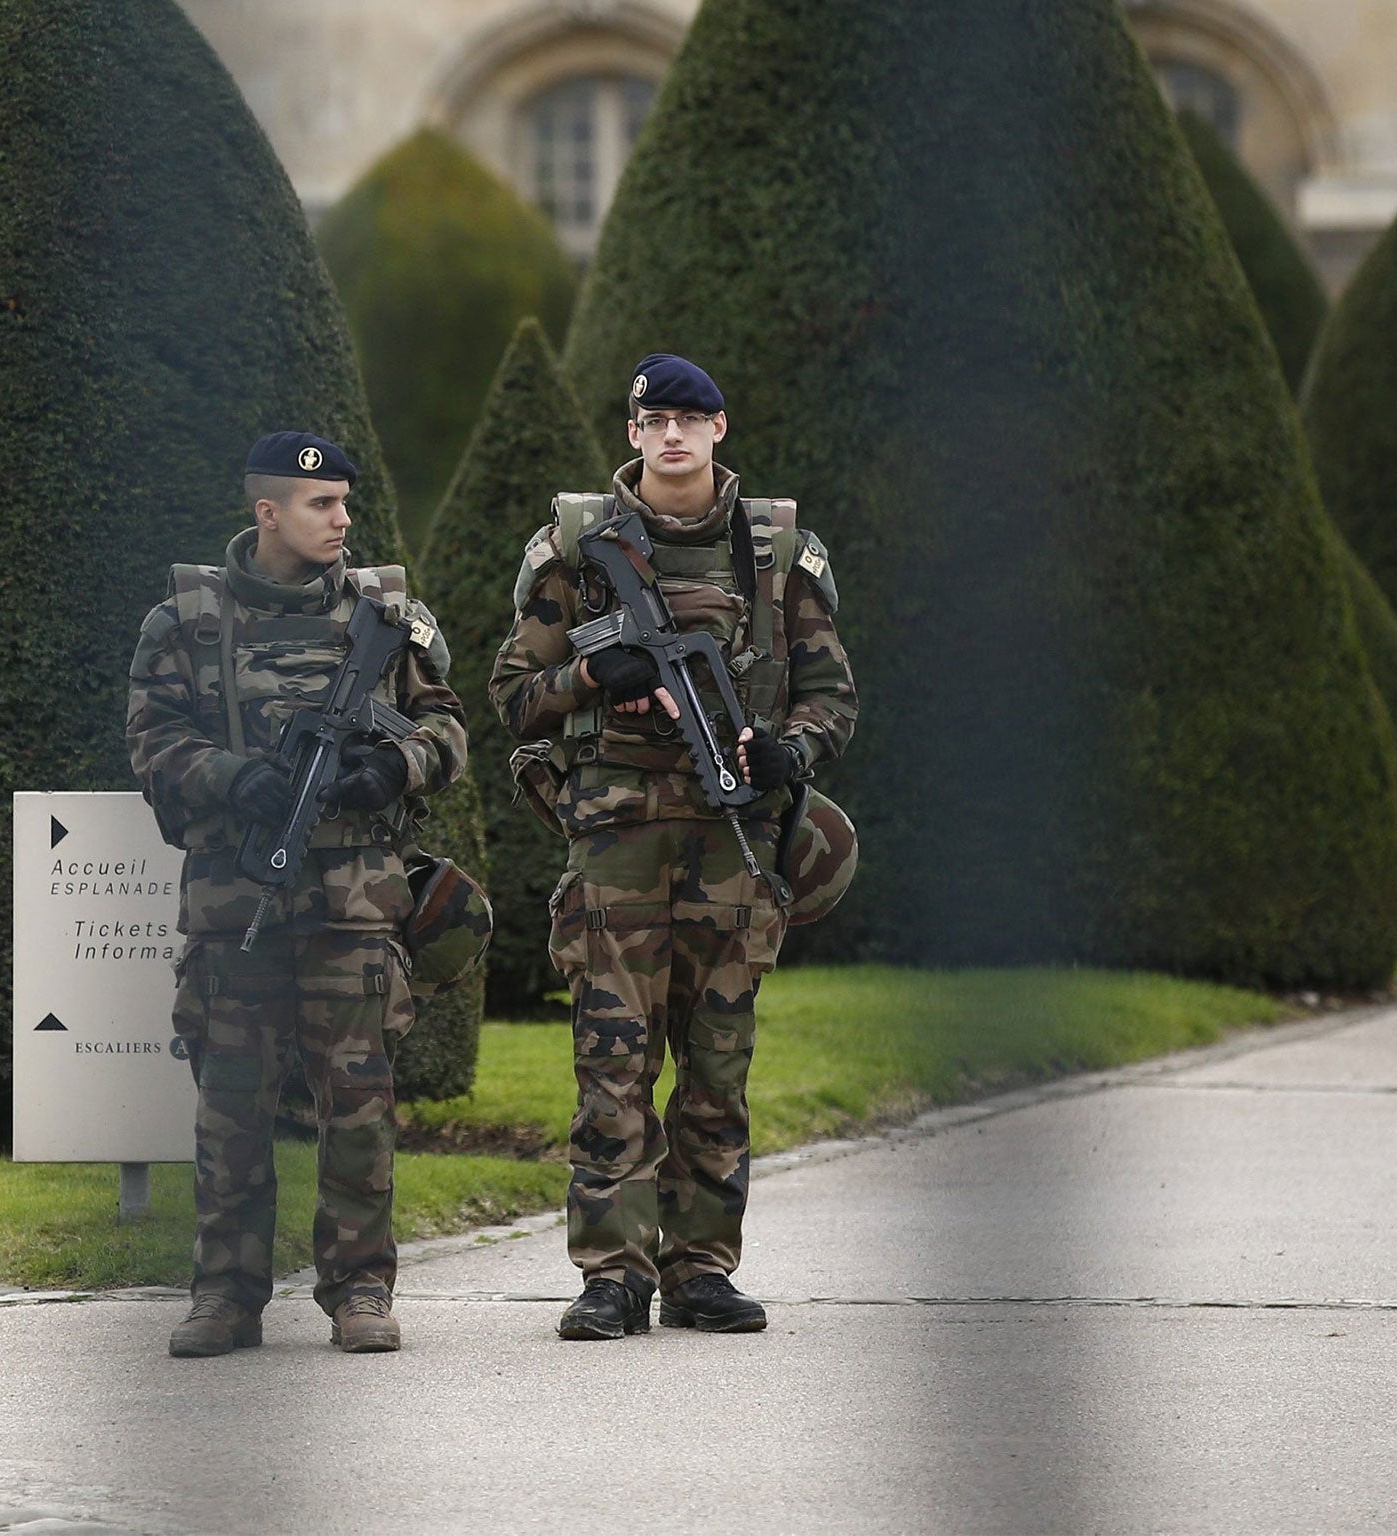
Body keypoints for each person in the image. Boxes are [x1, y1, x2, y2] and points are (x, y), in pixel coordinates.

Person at [490, 354, 857, 1340]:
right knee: (609, 1065)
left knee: (716, 1064)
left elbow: (832, 696)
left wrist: (791, 751)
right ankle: (610, 1275)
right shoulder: (572, 547)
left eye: (690, 419)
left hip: (730, 840)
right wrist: (584, 673)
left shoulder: (775, 549)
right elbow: (513, 697)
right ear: (632, 432)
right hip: (614, 843)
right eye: (654, 419)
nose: (672, 436)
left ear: (720, 429)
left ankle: (699, 1268)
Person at [127, 431, 468, 1357]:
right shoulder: (185, 623)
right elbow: (151, 741)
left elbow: (448, 727)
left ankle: (360, 1290)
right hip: (237, 903)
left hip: (356, 908)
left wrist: (392, 766)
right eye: (322, 505)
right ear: (266, 511)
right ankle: (224, 1297)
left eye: (347, 502)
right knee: (230, 1110)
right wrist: (232, 776)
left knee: (358, 1108)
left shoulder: (389, 617)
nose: (343, 519)